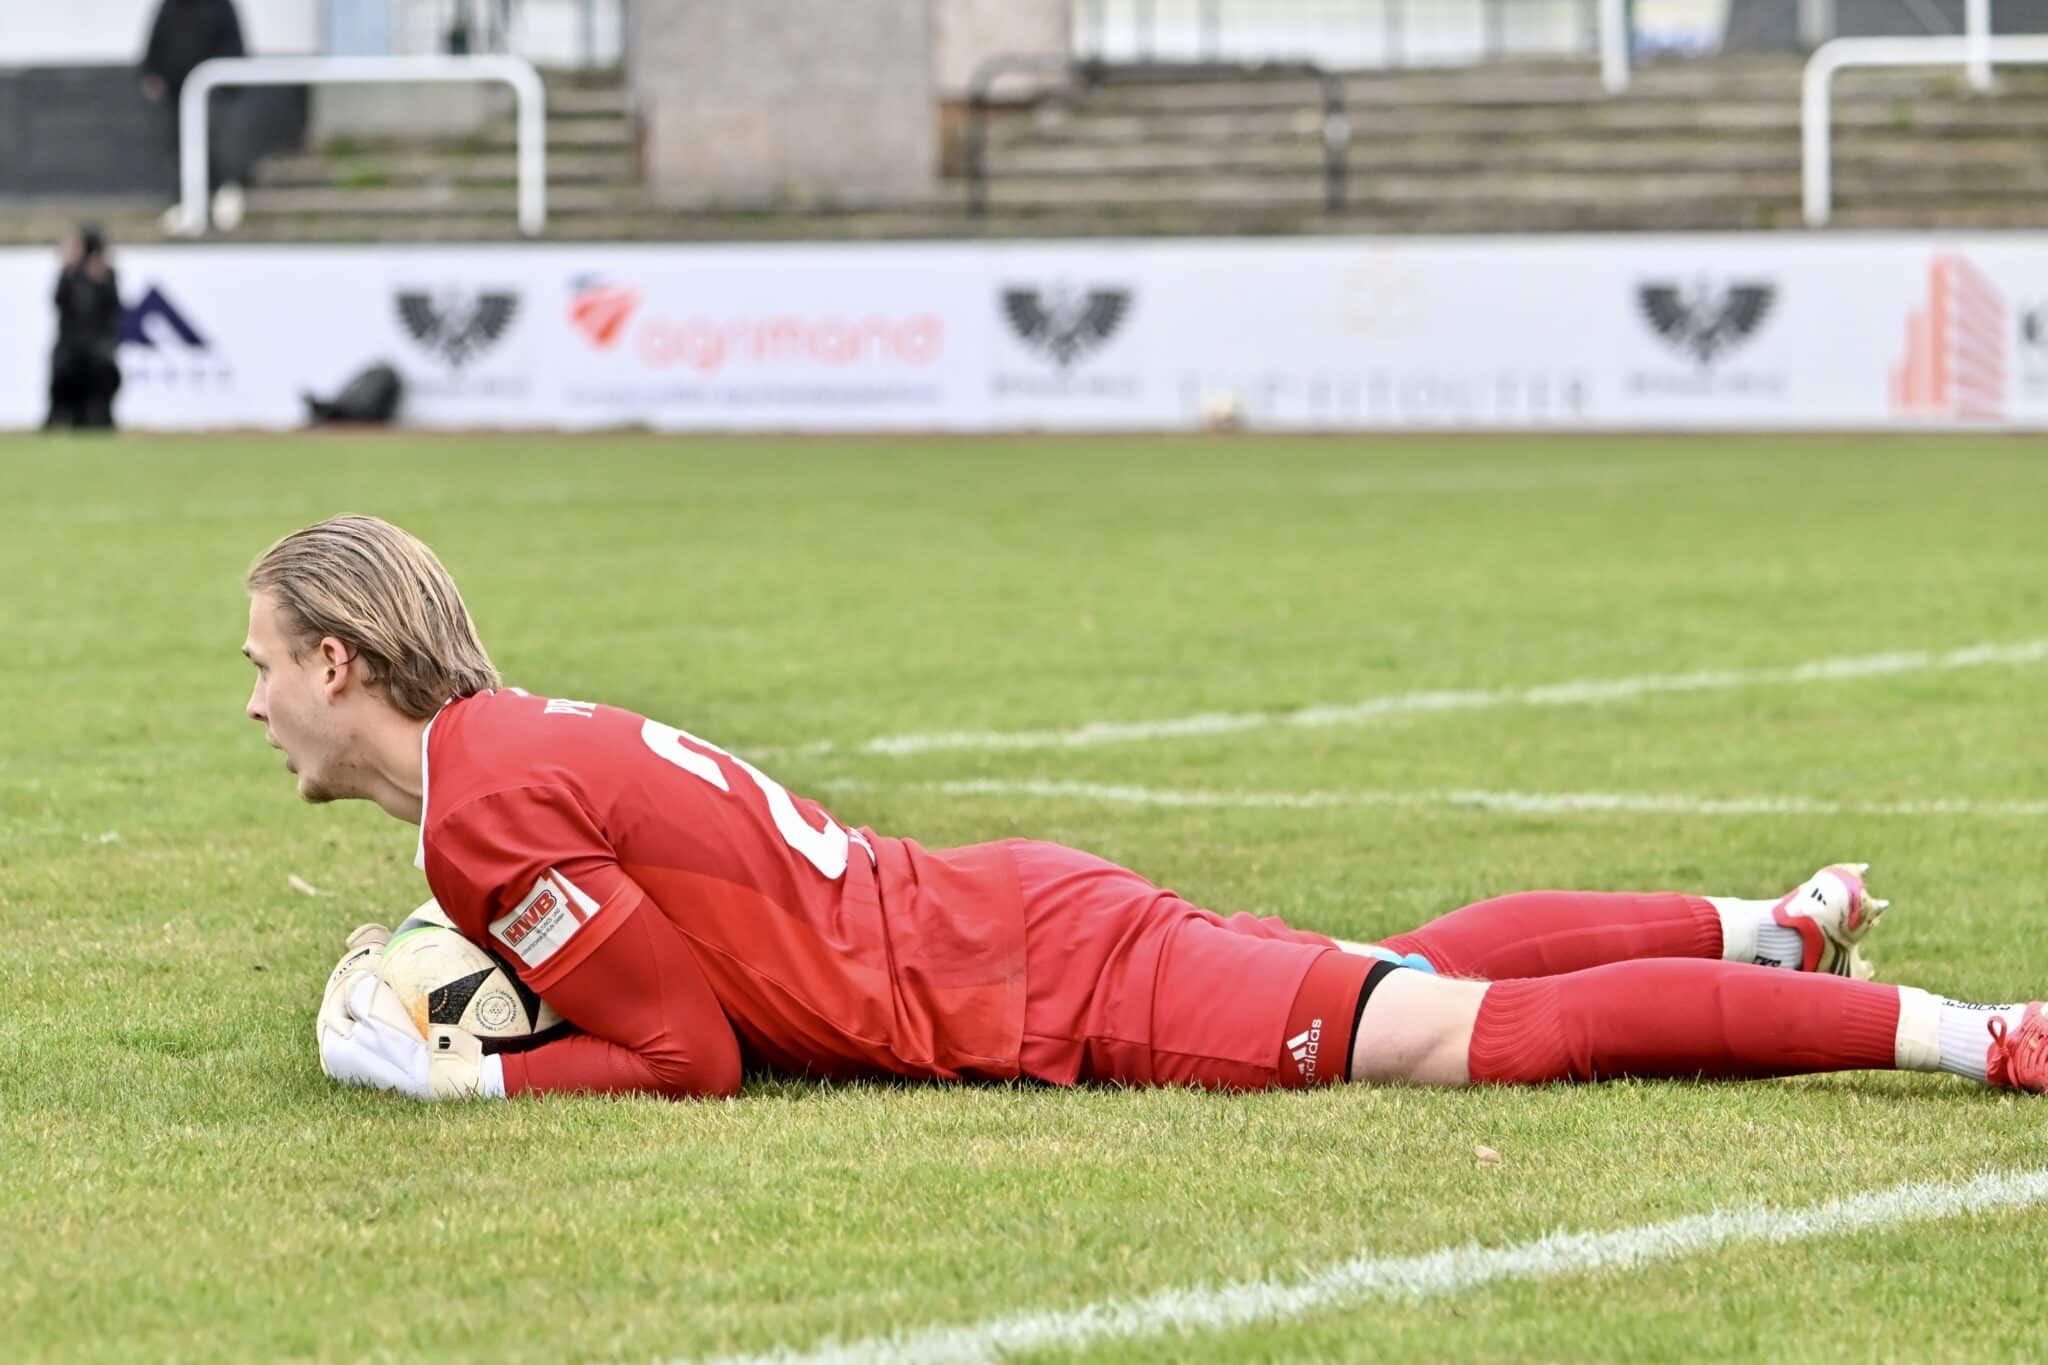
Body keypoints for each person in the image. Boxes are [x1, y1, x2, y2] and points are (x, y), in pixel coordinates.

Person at [240, 516, 2048, 1103]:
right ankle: (1763, 924)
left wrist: (462, 1072)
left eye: (261, 664)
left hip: (1028, 983)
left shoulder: (475, 815)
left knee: (1443, 1038)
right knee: (1391, 969)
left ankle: (1979, 1041)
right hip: (1009, 917)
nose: (250, 704)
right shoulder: (504, 750)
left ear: (340, 662)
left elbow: (691, 1054)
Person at [140, 0, 248, 232]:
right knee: (180, 146)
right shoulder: (170, 7)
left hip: (212, 90)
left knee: (212, 142)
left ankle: (223, 196)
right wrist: (150, 72)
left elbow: (233, 45)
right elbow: (156, 42)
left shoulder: (219, 6)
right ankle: (187, 204)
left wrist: (227, 81)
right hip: (177, 92)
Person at [46, 227, 124, 431]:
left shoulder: (107, 276)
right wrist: (68, 271)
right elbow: (60, 302)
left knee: (100, 386)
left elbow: (112, 308)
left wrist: (101, 280)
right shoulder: (71, 275)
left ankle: (98, 420)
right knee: (63, 382)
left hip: (97, 348)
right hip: (71, 347)